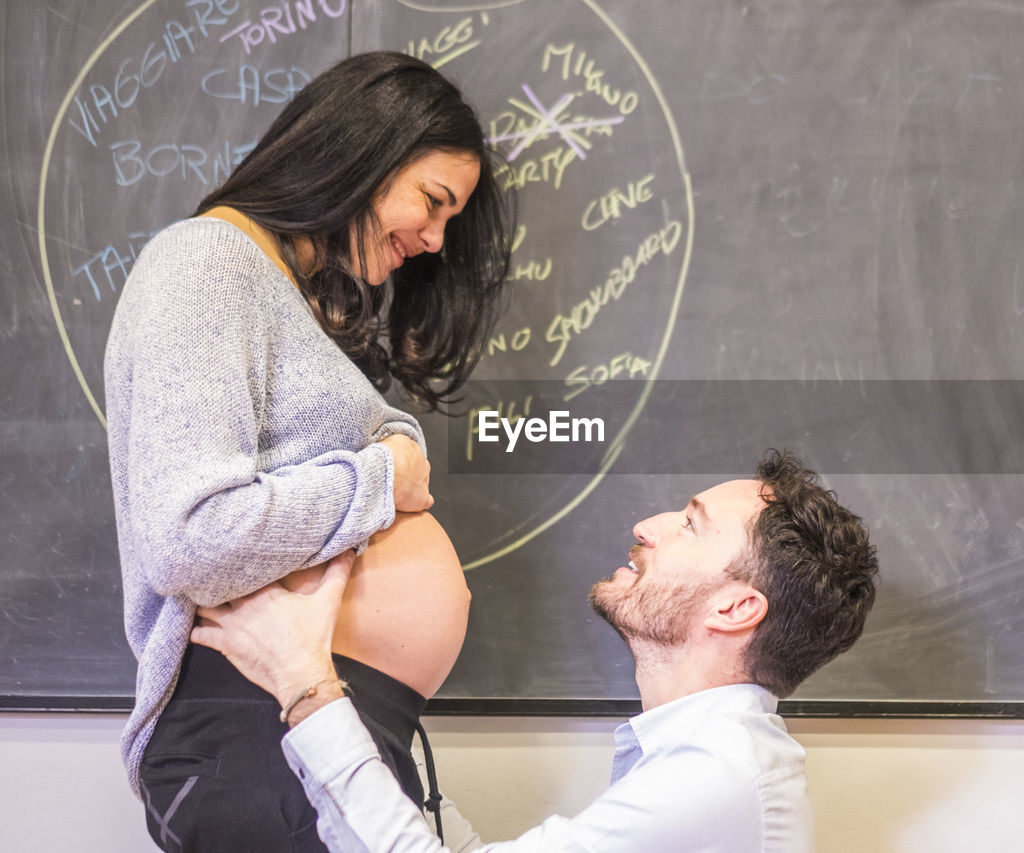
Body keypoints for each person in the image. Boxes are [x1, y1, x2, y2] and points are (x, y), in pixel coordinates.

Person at [104, 51, 511, 851]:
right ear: (364, 150)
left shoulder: (278, 288)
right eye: (433, 202)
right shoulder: (207, 263)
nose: (432, 239)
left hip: (306, 728)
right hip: (255, 731)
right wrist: (383, 477)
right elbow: (191, 539)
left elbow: (337, 440)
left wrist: (394, 444)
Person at [193, 450, 880, 852]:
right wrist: (377, 734)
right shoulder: (717, 755)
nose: (649, 526)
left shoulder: (722, 773)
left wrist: (305, 683)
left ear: (735, 608)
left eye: (690, 525)